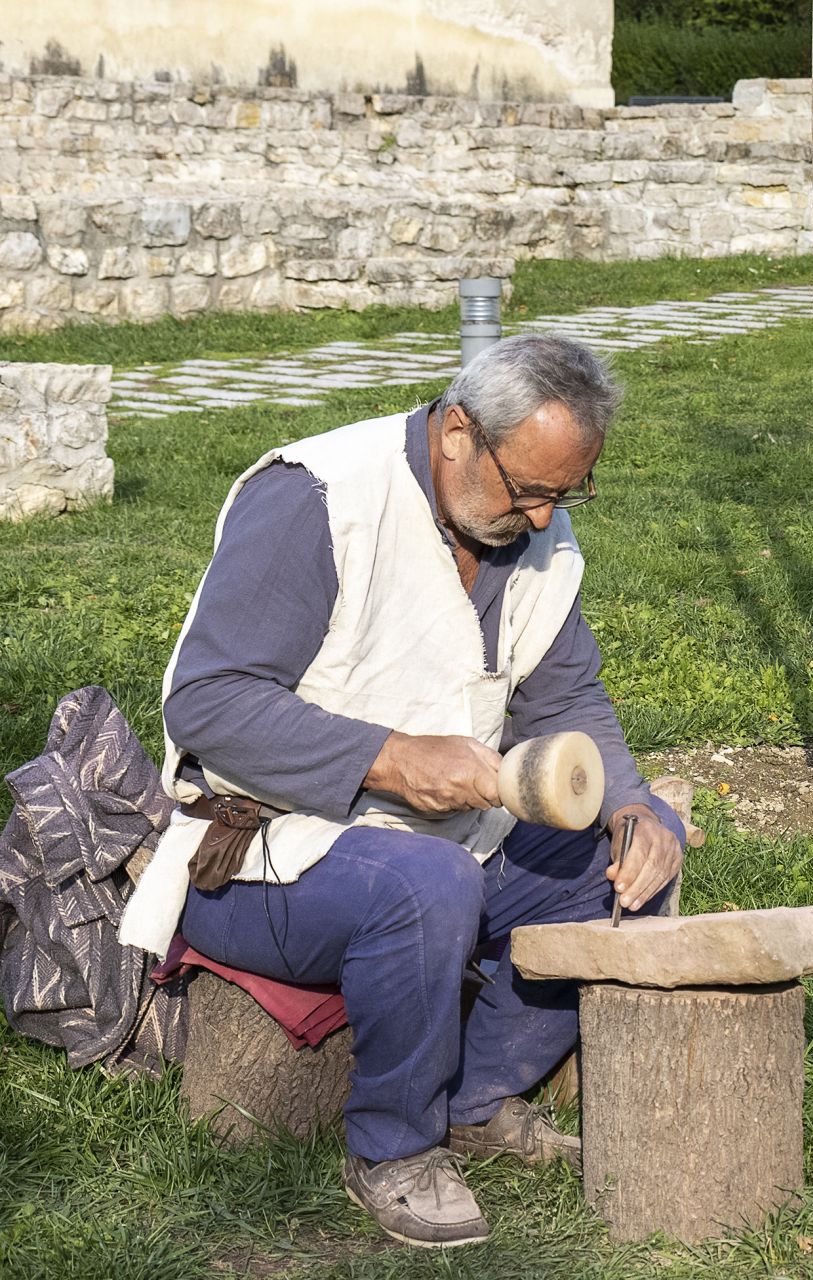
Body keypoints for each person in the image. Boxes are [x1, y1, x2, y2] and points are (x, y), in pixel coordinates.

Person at [120, 334, 688, 1249]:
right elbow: (208, 704)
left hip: (448, 837)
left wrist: (627, 801)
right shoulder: (318, 498)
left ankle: (478, 1100)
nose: (545, 521)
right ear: (458, 431)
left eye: (566, 494)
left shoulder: (522, 520)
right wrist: (389, 758)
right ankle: (393, 1147)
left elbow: (567, 693)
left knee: (632, 852)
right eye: (532, 491)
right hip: (264, 852)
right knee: (426, 883)